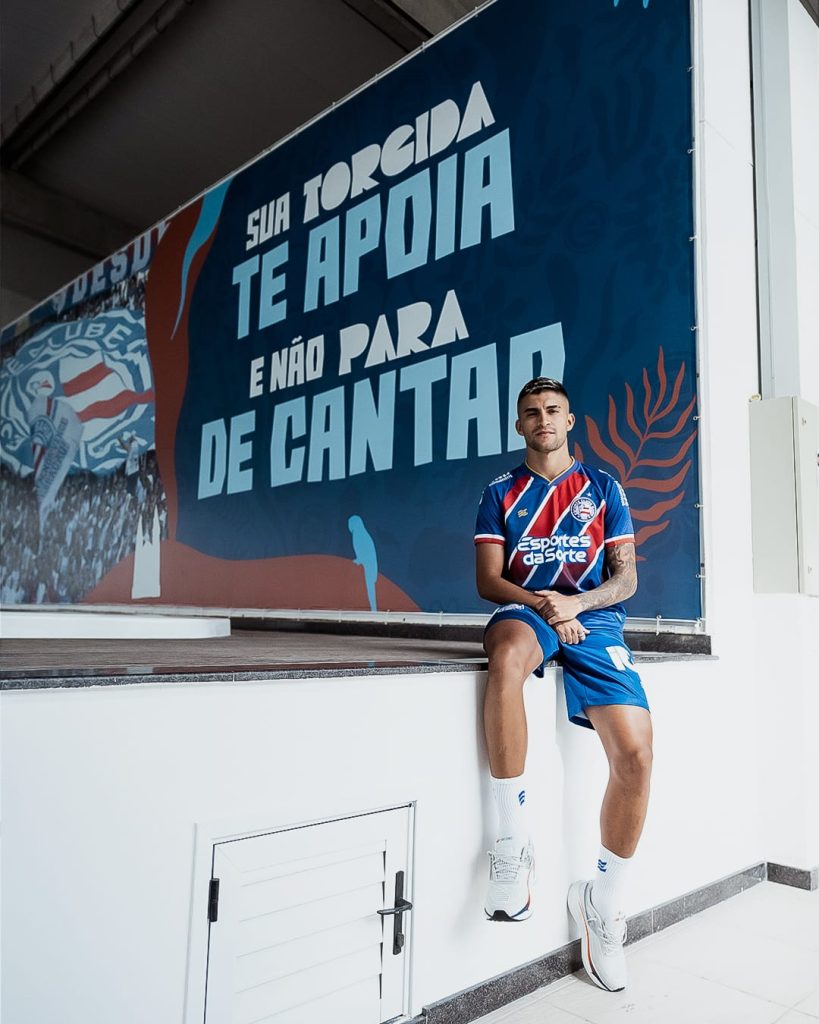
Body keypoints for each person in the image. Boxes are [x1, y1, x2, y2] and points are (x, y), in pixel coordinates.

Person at [474, 376, 652, 993]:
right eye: (531, 412)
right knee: (505, 659)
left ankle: (603, 901)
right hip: (527, 608)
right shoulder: (499, 491)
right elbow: (488, 580)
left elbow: (625, 580)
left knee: (636, 755)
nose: (542, 419)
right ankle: (512, 841)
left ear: (570, 421)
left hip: (593, 617)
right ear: (519, 425)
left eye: (553, 410)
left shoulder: (603, 488)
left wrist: (578, 605)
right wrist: (549, 606)